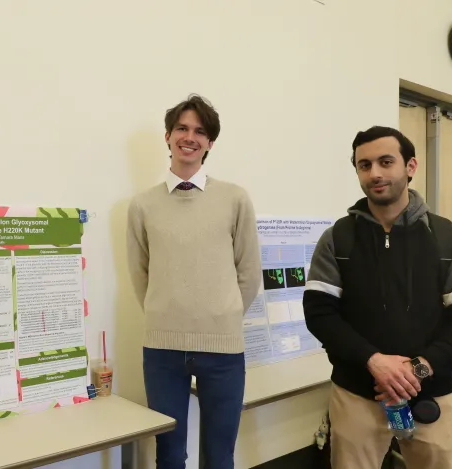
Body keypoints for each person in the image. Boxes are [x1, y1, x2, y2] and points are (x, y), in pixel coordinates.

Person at [303, 125, 452, 469]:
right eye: (364, 165)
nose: (374, 173)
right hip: (357, 395)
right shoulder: (337, 240)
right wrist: (375, 361)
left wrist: (418, 369)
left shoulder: (449, 239)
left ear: (410, 167)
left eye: (386, 162)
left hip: (431, 396)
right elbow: (319, 313)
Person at [126, 94, 262, 469]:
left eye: (200, 131)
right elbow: (140, 274)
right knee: (169, 455)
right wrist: (165, 311)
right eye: (182, 128)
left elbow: (249, 273)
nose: (190, 137)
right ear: (168, 136)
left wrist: (224, 314)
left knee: (219, 456)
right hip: (161, 350)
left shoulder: (235, 199)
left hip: (223, 349)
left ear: (210, 143)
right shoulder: (142, 205)